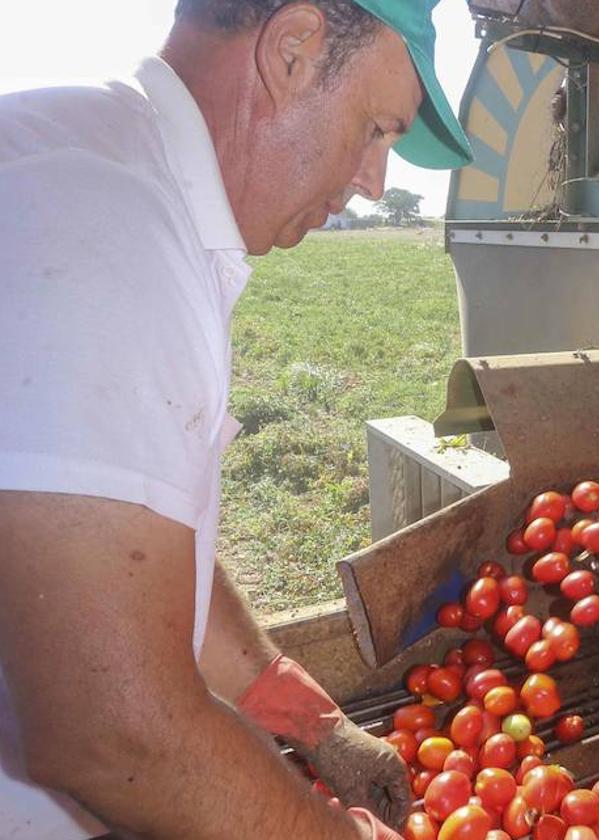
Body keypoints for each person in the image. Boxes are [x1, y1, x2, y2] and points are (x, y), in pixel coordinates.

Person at [0, 0, 471, 836]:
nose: (376, 183)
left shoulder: (107, 176)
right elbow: (114, 732)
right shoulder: (106, 228)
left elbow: (134, 539)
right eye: (377, 130)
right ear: (293, 50)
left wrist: (310, 720)